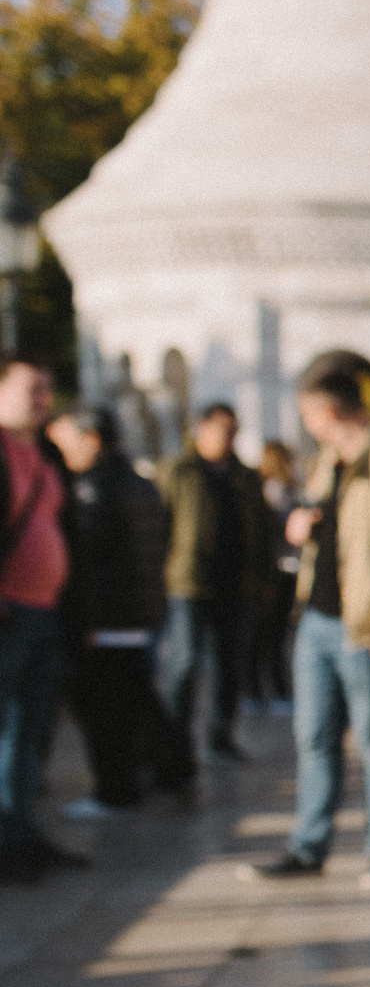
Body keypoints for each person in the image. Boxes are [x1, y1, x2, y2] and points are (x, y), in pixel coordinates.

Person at [242, 366, 370, 887]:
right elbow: (331, 529)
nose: (306, 424)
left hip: (368, 625)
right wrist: (302, 529)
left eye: (307, 413)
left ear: (327, 412)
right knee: (315, 738)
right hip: (318, 619)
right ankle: (308, 846)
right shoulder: (328, 463)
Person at [47, 406, 189, 817]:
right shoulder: (138, 483)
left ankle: (117, 788)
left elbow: (88, 556)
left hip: (106, 617)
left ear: (92, 439)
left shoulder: (95, 487)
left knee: (106, 707)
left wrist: (86, 618)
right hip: (138, 611)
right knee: (137, 696)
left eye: (68, 439)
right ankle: (172, 767)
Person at [0, 358, 84, 885]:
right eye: (32, 388)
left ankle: (23, 833)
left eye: (48, 389)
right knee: (6, 729)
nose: (43, 398)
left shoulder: (46, 453)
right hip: (9, 610)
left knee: (32, 730)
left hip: (47, 609)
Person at [157, 402, 270, 766]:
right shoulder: (178, 470)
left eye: (234, 429)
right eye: (223, 428)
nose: (230, 436)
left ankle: (220, 736)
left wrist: (264, 579)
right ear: (201, 428)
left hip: (237, 584)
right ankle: (175, 744)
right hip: (189, 582)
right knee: (185, 662)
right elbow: (159, 523)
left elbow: (262, 530)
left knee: (230, 664)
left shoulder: (246, 475)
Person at [250, 442, 299, 713]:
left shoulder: (271, 488)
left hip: (279, 568)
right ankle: (275, 689)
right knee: (273, 635)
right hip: (281, 568)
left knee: (270, 635)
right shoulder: (277, 490)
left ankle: (261, 690)